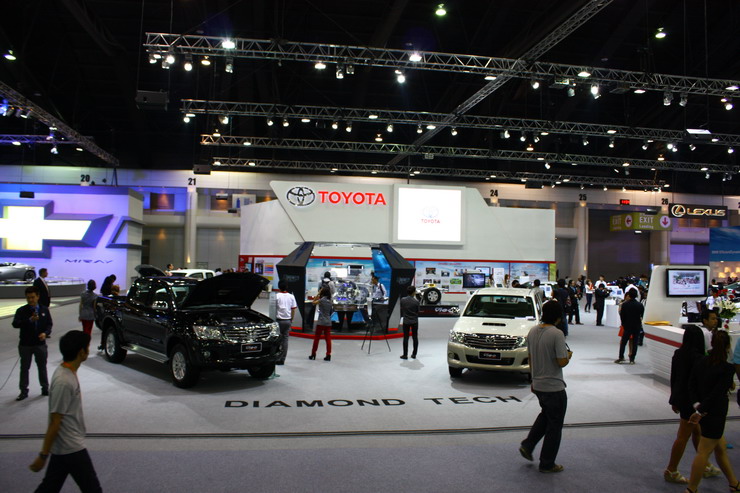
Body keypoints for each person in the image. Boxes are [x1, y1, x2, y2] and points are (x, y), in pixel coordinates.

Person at [29, 330, 103, 493]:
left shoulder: (68, 372)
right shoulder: (64, 381)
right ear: (81, 352)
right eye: (87, 347)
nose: (89, 349)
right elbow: (55, 421)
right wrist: (43, 456)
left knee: (49, 487)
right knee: (92, 489)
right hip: (71, 446)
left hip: (63, 446)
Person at [519, 300, 572, 473]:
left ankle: (528, 445)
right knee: (554, 426)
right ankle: (547, 463)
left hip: (538, 384)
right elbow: (561, 361)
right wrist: (569, 356)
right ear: (559, 316)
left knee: (546, 416)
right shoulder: (557, 334)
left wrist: (533, 380)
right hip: (554, 386)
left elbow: (530, 357)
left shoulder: (533, 331)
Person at [664, 325, 721, 483]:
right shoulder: (699, 358)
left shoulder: (678, 353)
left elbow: (674, 378)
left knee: (696, 432)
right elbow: (699, 383)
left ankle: (705, 465)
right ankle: (671, 469)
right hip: (692, 401)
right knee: (683, 436)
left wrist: (673, 399)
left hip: (681, 398)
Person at [684, 330, 739, 493]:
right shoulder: (727, 369)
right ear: (728, 347)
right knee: (704, 452)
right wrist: (701, 411)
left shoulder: (701, 361)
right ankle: (691, 489)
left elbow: (691, 384)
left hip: (703, 410)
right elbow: (717, 394)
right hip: (715, 413)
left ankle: (733, 483)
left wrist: (697, 406)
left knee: (720, 448)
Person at [13, 286, 53, 401]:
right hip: (25, 344)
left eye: (32, 297)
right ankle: (23, 391)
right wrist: (29, 320)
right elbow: (15, 324)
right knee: (24, 368)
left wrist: (45, 333)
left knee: (42, 367)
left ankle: (45, 388)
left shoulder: (44, 310)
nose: (30, 300)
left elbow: (49, 324)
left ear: (38, 297)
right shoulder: (21, 311)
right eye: (28, 298)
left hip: (40, 344)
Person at [615, 289, 643, 364]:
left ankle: (621, 357)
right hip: (637, 326)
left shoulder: (625, 304)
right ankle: (632, 359)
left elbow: (622, 315)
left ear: (629, 295)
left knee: (623, 342)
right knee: (635, 342)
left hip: (627, 326)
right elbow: (642, 315)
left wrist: (624, 324)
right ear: (636, 295)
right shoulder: (640, 305)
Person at [275, 280, 297, 365]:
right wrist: (291, 320)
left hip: (278, 321)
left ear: (278, 287)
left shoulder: (277, 296)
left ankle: (276, 357)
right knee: (285, 340)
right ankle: (282, 359)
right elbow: (293, 310)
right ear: (287, 287)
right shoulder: (291, 296)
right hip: (287, 320)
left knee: (277, 340)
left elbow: (273, 309)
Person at [309, 286, 333, 361]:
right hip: (328, 321)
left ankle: (313, 354)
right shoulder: (330, 301)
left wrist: (318, 293)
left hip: (321, 321)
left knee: (317, 338)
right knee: (328, 339)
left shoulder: (322, 300)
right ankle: (328, 354)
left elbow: (313, 302)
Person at [399, 286, 421, 360]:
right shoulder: (416, 301)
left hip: (406, 321)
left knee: (405, 338)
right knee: (415, 338)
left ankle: (405, 355)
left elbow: (402, 308)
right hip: (414, 321)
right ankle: (414, 354)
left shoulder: (403, 300)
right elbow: (418, 311)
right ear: (414, 292)